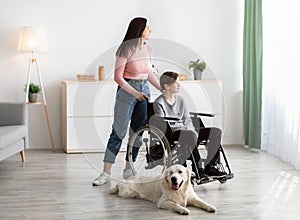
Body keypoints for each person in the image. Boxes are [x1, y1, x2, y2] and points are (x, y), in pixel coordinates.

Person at [92, 17, 161, 186]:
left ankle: (128, 169)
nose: (150, 29)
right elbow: (118, 77)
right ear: (139, 29)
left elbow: (150, 74)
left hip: (144, 92)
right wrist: (134, 92)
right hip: (127, 91)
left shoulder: (148, 49)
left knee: (138, 133)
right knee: (118, 132)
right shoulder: (125, 49)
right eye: (147, 27)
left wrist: (162, 88)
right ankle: (106, 172)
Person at [153, 71, 227, 179]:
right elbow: (163, 123)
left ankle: (210, 166)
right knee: (189, 135)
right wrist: (188, 131)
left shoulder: (181, 100)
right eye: (176, 83)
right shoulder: (159, 102)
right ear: (167, 86)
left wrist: (191, 129)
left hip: (187, 129)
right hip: (173, 132)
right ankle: (198, 169)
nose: (179, 85)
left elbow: (187, 119)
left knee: (216, 132)